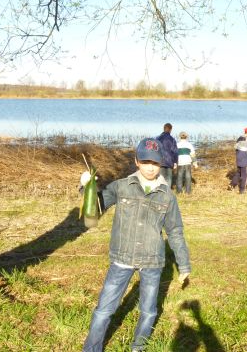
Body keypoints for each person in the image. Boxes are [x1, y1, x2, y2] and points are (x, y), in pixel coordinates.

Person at [81, 137, 191, 352]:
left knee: (148, 310)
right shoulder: (121, 186)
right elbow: (95, 207)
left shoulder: (167, 196)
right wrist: (87, 186)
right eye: (146, 162)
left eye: (156, 163)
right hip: (122, 258)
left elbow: (175, 231)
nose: (151, 168)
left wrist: (184, 265)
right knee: (104, 310)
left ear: (161, 164)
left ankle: (138, 348)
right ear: (137, 161)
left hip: (152, 260)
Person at [229, 127, 247, 194]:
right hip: (245, 160)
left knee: (239, 173)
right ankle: (242, 190)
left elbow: (236, 148)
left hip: (239, 159)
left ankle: (231, 186)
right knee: (245, 175)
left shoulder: (239, 139)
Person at [156, 123, 178, 188]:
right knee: (168, 178)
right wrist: (175, 162)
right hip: (170, 161)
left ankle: (161, 191)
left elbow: (155, 150)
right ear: (170, 130)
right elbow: (175, 151)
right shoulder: (172, 139)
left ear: (164, 128)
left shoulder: (158, 138)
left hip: (160, 161)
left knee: (160, 177)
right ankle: (167, 192)